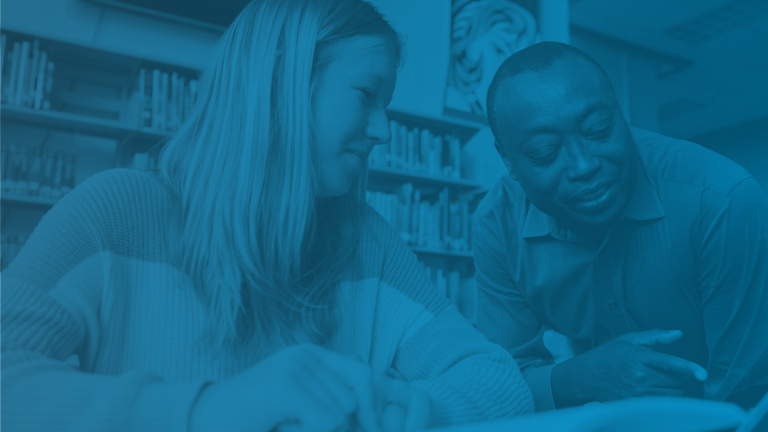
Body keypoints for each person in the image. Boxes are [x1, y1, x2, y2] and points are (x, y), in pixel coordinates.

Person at [0, 1, 535, 430]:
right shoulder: (113, 211)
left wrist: (414, 409)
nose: (383, 130)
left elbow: (495, 378)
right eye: (367, 96)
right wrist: (210, 410)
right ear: (282, 83)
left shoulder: (368, 244)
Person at [475, 41, 768, 412]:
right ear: (508, 162)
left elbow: (745, 395)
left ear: (620, 112)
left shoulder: (720, 200)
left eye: (598, 129)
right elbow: (498, 385)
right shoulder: (497, 224)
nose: (584, 166)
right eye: (544, 152)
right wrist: (581, 376)